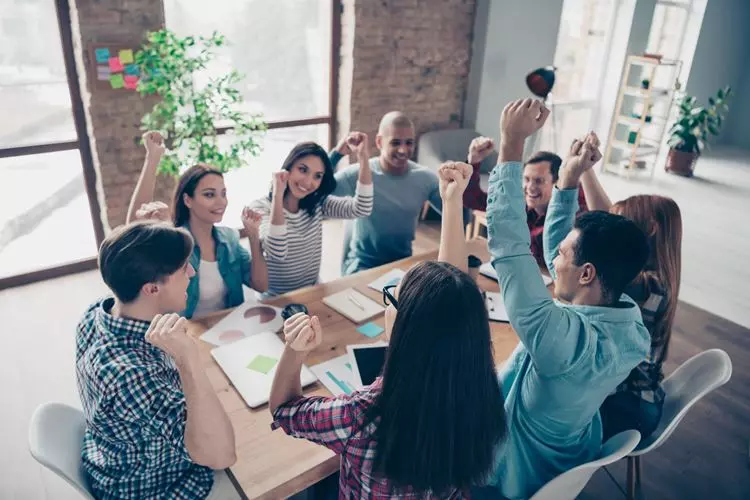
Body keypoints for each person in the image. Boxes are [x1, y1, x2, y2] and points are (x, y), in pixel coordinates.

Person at [268, 162, 506, 498]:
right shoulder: (476, 389)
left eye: (392, 295)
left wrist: (295, 350)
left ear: (406, 326)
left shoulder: (359, 416)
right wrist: (451, 204)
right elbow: (448, 302)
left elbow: (283, 409)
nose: (387, 300)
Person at [485, 98, 651, 499]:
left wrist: (510, 146)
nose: (553, 258)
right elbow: (562, 256)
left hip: (514, 470)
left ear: (588, 274)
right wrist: (569, 181)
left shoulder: (559, 341)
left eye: (562, 256)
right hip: (569, 454)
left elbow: (510, 246)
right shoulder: (630, 324)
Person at [76, 221, 238, 499]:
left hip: (112, 455)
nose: (192, 272)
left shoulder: (97, 312)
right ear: (151, 289)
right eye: (183, 268)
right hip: (153, 486)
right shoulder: (132, 375)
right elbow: (221, 456)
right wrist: (188, 359)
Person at [127, 131, 269, 318]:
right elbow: (134, 227)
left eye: (223, 193)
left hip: (228, 330)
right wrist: (153, 158)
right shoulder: (174, 240)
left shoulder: (229, 238)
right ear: (187, 200)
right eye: (209, 194)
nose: (221, 202)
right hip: (186, 333)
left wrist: (253, 236)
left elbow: (260, 285)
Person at [600, 195, 683, 440]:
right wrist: (585, 171)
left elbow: (600, 239)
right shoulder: (659, 278)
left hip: (628, 408)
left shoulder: (646, 285)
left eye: (621, 225)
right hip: (640, 400)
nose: (611, 233)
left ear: (650, 228)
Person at [463, 134, 612, 270]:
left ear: (556, 182)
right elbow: (472, 199)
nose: (530, 188)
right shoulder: (520, 200)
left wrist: (583, 168)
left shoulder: (573, 211)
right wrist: (474, 161)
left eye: (539, 181)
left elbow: (606, 222)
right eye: (527, 179)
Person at [249, 140, 373, 296]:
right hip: (275, 299)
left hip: (312, 291)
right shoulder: (260, 208)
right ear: (288, 168)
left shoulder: (317, 204)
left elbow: (362, 208)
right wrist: (278, 195)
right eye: (302, 170)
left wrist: (363, 157)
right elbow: (277, 250)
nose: (308, 182)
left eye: (317, 176)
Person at [331, 112, 442, 275]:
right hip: (363, 265)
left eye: (409, 143)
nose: (403, 150)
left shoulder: (425, 178)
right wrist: (336, 154)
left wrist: (466, 172)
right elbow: (319, 188)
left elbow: (461, 216)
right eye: (395, 143)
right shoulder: (359, 173)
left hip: (403, 264)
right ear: (379, 142)